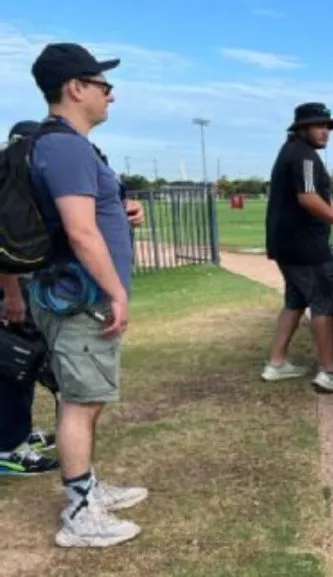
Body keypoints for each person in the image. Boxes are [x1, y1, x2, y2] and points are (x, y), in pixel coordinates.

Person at [27, 42, 149, 547]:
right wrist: (116, 291)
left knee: (87, 395)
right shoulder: (66, 146)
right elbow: (80, 232)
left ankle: (89, 486)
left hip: (74, 293)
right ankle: (79, 513)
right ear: (74, 88)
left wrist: (121, 212)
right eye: (103, 85)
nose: (110, 95)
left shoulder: (62, 145)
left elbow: (86, 216)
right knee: (81, 400)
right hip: (80, 299)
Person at [262, 102, 333, 393]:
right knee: (324, 302)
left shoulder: (292, 152)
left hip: (286, 243)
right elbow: (308, 199)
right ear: (301, 128)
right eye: (318, 126)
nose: (325, 132)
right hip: (305, 245)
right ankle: (328, 372)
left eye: (327, 127)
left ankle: (276, 362)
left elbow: (321, 198)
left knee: (296, 301)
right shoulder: (304, 157)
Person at [1, 126, 60, 475]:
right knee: (15, 364)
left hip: (24, 286)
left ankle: (17, 431)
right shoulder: (10, 185)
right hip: (13, 289)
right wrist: (11, 296)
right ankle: (10, 446)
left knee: (25, 364)